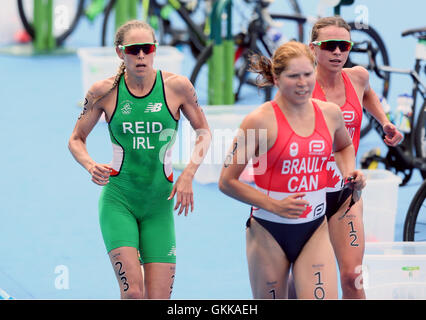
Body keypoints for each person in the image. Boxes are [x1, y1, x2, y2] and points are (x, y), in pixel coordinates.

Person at [68, 20, 211, 299]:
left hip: (159, 205)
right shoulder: (104, 91)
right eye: (134, 50)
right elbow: (76, 138)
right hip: (119, 200)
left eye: (147, 48)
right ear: (121, 53)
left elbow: (204, 132)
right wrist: (89, 164)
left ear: (155, 49)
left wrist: (189, 173)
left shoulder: (177, 87)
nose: (142, 56)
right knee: (134, 292)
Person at [218, 41, 366, 299]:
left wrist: (349, 172)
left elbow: (343, 147)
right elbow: (227, 181)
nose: (302, 83)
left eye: (308, 74)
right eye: (293, 76)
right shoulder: (259, 121)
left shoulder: (330, 114)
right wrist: (273, 205)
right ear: (276, 78)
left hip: (314, 228)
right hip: (268, 231)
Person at [308, 16, 403, 299]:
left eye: (344, 45)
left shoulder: (357, 76)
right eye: (329, 45)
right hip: (306, 194)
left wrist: (385, 122)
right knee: (311, 286)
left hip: (345, 194)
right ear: (313, 48)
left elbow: (368, 96)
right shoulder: (300, 86)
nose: (337, 52)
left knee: (352, 277)